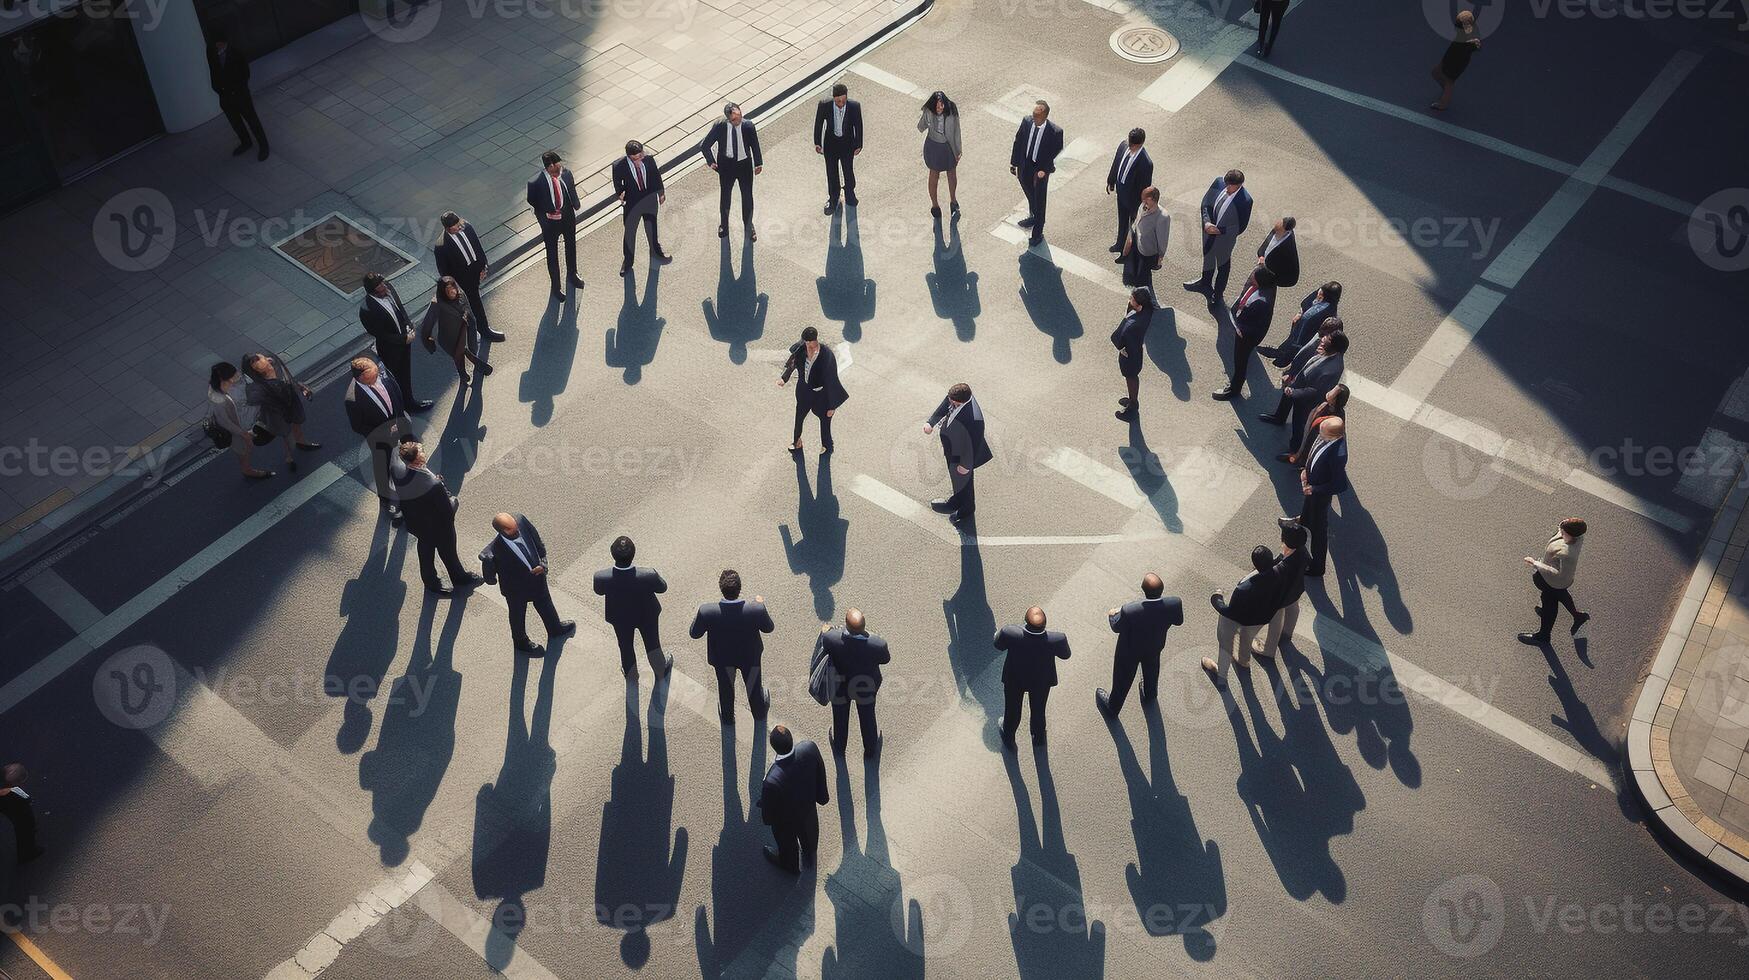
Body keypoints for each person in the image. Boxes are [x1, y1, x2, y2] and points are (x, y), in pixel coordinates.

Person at [480, 512, 576, 654]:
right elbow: (489, 578)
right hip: (515, 589)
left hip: (537, 579)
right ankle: (520, 641)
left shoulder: (521, 521)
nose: (518, 530)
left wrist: (543, 565)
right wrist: (494, 579)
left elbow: (538, 543)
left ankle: (555, 629)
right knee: (517, 614)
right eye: (514, 530)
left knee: (545, 603)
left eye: (516, 526)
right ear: (504, 532)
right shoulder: (492, 552)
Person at [394, 442, 482, 596]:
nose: (424, 453)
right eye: (421, 451)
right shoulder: (433, 485)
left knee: (425, 551)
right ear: (417, 459)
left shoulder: (399, 473)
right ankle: (459, 578)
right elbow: (448, 510)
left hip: (418, 524)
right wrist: (452, 497)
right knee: (448, 553)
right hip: (439, 526)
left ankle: (430, 582)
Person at [689, 570, 774, 723]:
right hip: (750, 656)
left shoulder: (707, 611)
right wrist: (761, 604)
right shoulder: (756, 609)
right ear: (740, 588)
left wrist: (700, 614)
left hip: (722, 658)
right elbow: (769, 628)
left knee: (725, 686)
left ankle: (727, 717)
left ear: (721, 588)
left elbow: (694, 633)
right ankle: (759, 712)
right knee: (754, 685)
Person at [1096, 573, 1183, 717]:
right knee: (1152, 669)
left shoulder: (1129, 610)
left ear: (1143, 589)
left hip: (1129, 651)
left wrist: (1112, 614)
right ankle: (1150, 694)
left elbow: (1116, 627)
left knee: (1122, 679)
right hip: (1154, 646)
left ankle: (1113, 707)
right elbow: (1179, 621)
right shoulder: (1174, 603)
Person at [345, 357, 417, 523]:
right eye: (373, 377)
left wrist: (400, 417)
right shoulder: (352, 399)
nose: (378, 377)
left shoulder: (381, 372)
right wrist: (385, 432)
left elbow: (396, 391)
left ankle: (416, 478)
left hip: (400, 422)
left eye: (377, 374)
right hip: (379, 438)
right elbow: (359, 426)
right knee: (382, 468)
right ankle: (386, 500)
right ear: (360, 378)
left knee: (413, 449)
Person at [593, 535, 674, 678]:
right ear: (633, 553)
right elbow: (663, 588)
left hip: (619, 617)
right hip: (647, 615)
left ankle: (631, 673)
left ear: (612, 553)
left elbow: (598, 591)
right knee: (652, 644)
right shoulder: (649, 574)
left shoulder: (600, 577)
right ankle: (660, 669)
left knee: (625, 645)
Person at [994, 606, 1071, 749]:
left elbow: (997, 644)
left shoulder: (1010, 633)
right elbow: (1066, 655)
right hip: (1041, 682)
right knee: (1039, 709)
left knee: (1012, 709)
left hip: (1015, 679)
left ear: (1025, 622)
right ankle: (1038, 737)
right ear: (1045, 624)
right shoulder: (1057, 639)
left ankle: (1009, 737)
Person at [1280, 417, 1349, 576]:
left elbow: (1340, 485)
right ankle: (1303, 522)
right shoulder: (1326, 437)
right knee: (1308, 508)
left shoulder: (1339, 455)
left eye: (1323, 433)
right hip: (1312, 485)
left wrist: (1315, 489)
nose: (1319, 434)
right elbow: (1315, 453)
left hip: (1319, 493)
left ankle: (1318, 567)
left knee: (1319, 531)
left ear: (1335, 436)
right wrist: (1306, 469)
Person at [1202, 546, 1278, 685]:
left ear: (1254, 564)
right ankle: (1244, 661)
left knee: (1226, 644)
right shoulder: (1280, 573)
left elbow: (1230, 612)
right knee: (1247, 637)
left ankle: (1221, 673)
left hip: (1242, 619)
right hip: (1262, 618)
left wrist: (1217, 599)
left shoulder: (1243, 589)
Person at [358, 272, 434, 410]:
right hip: (390, 349)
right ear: (373, 290)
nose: (384, 285)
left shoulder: (389, 289)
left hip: (405, 341)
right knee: (394, 379)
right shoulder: (367, 309)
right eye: (379, 285)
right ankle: (398, 408)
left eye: (383, 281)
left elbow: (400, 308)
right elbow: (380, 334)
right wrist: (403, 339)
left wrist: (409, 325)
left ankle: (410, 403)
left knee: (405, 374)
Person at [758, 725, 828, 873]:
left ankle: (791, 865)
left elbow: (768, 817)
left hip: (786, 820)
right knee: (809, 833)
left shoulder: (771, 780)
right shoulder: (809, 748)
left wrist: (768, 818)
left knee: (787, 843)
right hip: (808, 807)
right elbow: (820, 771)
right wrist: (822, 797)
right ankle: (810, 853)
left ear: (773, 747)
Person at [1261, 331, 1347, 451]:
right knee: (1286, 403)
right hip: (1298, 384)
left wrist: (1294, 392)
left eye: (1327, 338)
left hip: (1305, 400)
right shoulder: (1328, 352)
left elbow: (1315, 392)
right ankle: (1279, 418)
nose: (1323, 338)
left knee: (1299, 424)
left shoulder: (1332, 369)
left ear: (1334, 345)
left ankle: (1294, 451)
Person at [822, 608, 889, 757]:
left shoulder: (830, 638)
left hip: (840, 686)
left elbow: (825, 648)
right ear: (864, 626)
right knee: (867, 716)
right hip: (866, 686)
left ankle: (839, 747)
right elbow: (885, 659)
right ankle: (870, 749)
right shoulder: (878, 644)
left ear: (846, 624)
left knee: (840, 716)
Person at [924, 382, 993, 525]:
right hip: (953, 449)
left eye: (953, 402)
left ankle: (967, 509)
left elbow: (974, 443)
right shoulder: (955, 396)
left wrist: (965, 465)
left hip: (963, 456)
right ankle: (956, 501)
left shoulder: (975, 418)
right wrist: (931, 422)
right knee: (956, 479)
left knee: (965, 482)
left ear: (962, 401)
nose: (950, 402)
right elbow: (945, 404)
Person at [1183, 169, 1253, 302]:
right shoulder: (1218, 182)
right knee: (1208, 257)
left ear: (1240, 185)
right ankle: (1205, 282)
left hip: (1224, 240)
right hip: (1208, 232)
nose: (1226, 188)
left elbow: (1241, 226)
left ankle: (1218, 294)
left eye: (1230, 186)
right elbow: (1206, 203)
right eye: (1226, 184)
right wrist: (1207, 222)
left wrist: (1220, 230)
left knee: (1223, 266)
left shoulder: (1246, 201)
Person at [526, 150, 586, 302]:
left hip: (567, 217)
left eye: (560, 166)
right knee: (552, 254)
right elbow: (532, 201)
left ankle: (573, 274)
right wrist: (545, 214)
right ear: (548, 167)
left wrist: (575, 204)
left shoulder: (566, 174)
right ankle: (556, 287)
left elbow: (571, 189)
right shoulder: (535, 183)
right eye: (555, 168)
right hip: (550, 223)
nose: (559, 170)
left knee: (571, 246)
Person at [242, 352, 318, 471]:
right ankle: (290, 457)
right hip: (278, 413)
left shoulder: (276, 368)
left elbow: (289, 381)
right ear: (257, 368)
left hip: (290, 404)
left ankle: (301, 442)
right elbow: (254, 402)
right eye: (263, 359)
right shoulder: (258, 387)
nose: (268, 359)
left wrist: (301, 387)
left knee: (296, 424)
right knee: (287, 434)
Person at [434, 212, 504, 342]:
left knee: (475, 301)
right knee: (475, 302)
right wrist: (455, 288)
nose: (459, 228)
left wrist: (484, 266)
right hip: (464, 278)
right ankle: (484, 330)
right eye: (455, 228)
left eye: (458, 225)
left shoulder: (467, 227)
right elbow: (444, 272)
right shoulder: (441, 246)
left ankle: (477, 329)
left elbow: (478, 247)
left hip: (477, 269)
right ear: (447, 229)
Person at [1519, 518, 1590, 644]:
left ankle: (1543, 636)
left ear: (1569, 534)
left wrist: (1535, 563)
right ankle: (1578, 616)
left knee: (1550, 604)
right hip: (1558, 583)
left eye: (1562, 531)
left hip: (1553, 582)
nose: (1559, 531)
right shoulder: (1576, 536)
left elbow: (1559, 574)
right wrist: (1563, 526)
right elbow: (1562, 529)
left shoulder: (1568, 554)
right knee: (1561, 594)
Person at [778, 326, 848, 454]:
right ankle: (797, 442)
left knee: (825, 419)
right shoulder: (802, 349)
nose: (805, 344)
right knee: (799, 417)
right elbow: (793, 362)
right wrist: (784, 378)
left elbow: (832, 379)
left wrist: (832, 406)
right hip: (803, 391)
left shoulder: (826, 355)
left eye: (807, 341)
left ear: (813, 341)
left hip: (820, 394)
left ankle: (827, 445)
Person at [701, 103, 762, 241]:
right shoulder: (720, 126)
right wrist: (711, 162)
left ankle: (748, 225)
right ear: (728, 118)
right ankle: (724, 225)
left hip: (744, 166)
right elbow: (704, 146)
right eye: (734, 119)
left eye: (739, 116)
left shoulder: (748, 126)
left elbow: (755, 145)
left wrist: (758, 163)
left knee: (747, 196)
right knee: (725, 196)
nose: (738, 120)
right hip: (726, 167)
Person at [1213, 265, 1276, 400]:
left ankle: (1234, 389)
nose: (1251, 276)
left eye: (1254, 275)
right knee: (1241, 359)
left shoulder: (1261, 302)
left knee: (1240, 362)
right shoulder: (1266, 288)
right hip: (1248, 330)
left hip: (1246, 336)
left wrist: (1241, 330)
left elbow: (1254, 323)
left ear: (1260, 280)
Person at [611, 141, 671, 277]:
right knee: (630, 233)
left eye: (640, 155)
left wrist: (661, 193)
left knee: (652, 228)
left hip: (649, 200)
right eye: (636, 158)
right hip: (632, 203)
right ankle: (628, 261)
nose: (639, 159)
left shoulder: (648, 158)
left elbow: (656, 175)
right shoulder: (619, 166)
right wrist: (620, 194)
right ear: (629, 157)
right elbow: (617, 183)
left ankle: (656, 253)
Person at [205, 29, 268, 160]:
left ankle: (264, 146)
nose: (218, 47)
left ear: (224, 42)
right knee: (236, 123)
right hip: (225, 95)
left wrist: (238, 90)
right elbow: (212, 70)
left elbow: (245, 73)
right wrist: (217, 89)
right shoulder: (211, 51)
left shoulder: (236, 53)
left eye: (220, 44)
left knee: (252, 120)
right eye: (216, 44)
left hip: (240, 95)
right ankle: (246, 142)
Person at [1009, 101, 1063, 247]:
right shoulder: (1026, 122)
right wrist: (1014, 162)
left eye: (1037, 116)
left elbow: (1055, 150)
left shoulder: (1055, 132)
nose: (1033, 117)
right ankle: (1034, 216)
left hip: (1039, 170)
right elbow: (1018, 141)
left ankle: (1038, 232)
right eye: (1033, 114)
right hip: (1024, 165)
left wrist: (1044, 170)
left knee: (1040, 199)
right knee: (1029, 192)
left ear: (1044, 117)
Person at [421, 276, 493, 386]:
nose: (452, 292)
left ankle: (471, 363)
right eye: (447, 290)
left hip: (463, 331)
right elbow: (426, 326)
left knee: (467, 350)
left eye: (452, 287)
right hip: (448, 338)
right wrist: (429, 344)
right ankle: (463, 373)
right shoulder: (437, 304)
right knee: (458, 357)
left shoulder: (461, 295)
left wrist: (472, 335)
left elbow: (470, 315)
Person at [208, 362, 272, 480]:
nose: (237, 374)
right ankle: (247, 470)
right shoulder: (219, 399)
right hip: (236, 429)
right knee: (244, 449)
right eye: (233, 375)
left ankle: (246, 466)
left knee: (246, 446)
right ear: (224, 379)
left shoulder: (221, 386)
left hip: (242, 420)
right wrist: (244, 434)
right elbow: (225, 422)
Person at [1255, 523, 1308, 660]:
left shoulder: (1282, 567)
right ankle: (1287, 634)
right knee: (1293, 609)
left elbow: (1274, 576)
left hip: (1281, 597)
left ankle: (1269, 649)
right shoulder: (1303, 552)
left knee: (1275, 621)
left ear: (1285, 542)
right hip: (1296, 591)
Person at [814, 83, 862, 214]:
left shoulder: (854, 106)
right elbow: (818, 123)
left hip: (847, 144)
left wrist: (858, 144)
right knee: (831, 172)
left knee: (848, 170)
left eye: (843, 100)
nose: (840, 103)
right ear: (834, 98)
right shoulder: (824, 105)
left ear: (846, 97)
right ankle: (833, 198)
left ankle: (850, 193)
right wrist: (817, 142)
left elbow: (858, 126)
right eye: (838, 100)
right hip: (831, 144)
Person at [1105, 128, 1154, 255]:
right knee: (1122, 220)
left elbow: (1145, 187)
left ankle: (1130, 251)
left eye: (1133, 146)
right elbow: (1116, 163)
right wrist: (1111, 180)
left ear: (1141, 144)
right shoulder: (1123, 145)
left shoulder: (1146, 163)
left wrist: (1142, 205)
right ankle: (1119, 244)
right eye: (1130, 144)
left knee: (1133, 227)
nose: (1130, 147)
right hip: (1121, 193)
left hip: (1134, 200)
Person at [1270, 280, 1341, 367]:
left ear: (1325, 295)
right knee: (1290, 342)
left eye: (1321, 292)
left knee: (1294, 348)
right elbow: (1306, 302)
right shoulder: (1324, 295)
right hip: (1300, 328)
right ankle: (1282, 352)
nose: (1319, 292)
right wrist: (1300, 312)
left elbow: (1314, 333)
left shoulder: (1325, 313)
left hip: (1305, 335)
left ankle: (1283, 361)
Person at [917, 90, 963, 218]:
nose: (940, 108)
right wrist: (927, 114)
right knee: (933, 175)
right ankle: (935, 205)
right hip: (933, 147)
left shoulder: (952, 109)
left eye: (942, 105)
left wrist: (958, 149)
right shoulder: (929, 111)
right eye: (937, 106)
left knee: (952, 173)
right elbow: (921, 127)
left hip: (948, 147)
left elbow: (957, 130)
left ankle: (953, 201)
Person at [1112, 287, 1155, 421]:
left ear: (1138, 304)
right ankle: (1132, 400)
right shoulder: (1148, 311)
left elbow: (1116, 337)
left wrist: (1121, 348)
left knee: (1130, 376)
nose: (1129, 300)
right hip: (1137, 350)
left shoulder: (1132, 324)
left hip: (1129, 355)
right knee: (1132, 376)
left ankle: (1133, 405)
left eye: (1132, 299)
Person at [1282, 382, 1348, 466]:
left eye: (1333, 393)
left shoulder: (1336, 416)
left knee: (1308, 450)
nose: (1330, 392)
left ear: (1336, 400)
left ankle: (1301, 463)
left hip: (1317, 438)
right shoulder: (1326, 405)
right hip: (1310, 431)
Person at [1430, 10, 1481, 112]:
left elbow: (1473, 46)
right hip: (1451, 56)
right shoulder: (1467, 32)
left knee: (1449, 81)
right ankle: (1446, 91)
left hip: (1457, 61)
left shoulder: (1468, 38)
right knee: (1436, 72)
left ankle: (1443, 104)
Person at [1121, 186, 1170, 292]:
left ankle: (1144, 298)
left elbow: (1163, 240)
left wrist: (1160, 257)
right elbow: (1136, 222)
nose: (1142, 201)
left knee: (1143, 278)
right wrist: (1129, 239)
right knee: (1135, 271)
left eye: (1144, 199)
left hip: (1148, 252)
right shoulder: (1143, 206)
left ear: (1151, 199)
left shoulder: (1162, 217)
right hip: (1137, 245)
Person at [0, 763, 43, 865]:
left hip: (6, 801)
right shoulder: (13, 792)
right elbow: (25, 798)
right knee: (25, 826)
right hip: (17, 809)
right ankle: (28, 853)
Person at [1255, 216, 1299, 288]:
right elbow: (1265, 244)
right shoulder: (1277, 229)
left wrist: (1272, 281)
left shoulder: (1288, 249)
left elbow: (1292, 278)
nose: (1274, 231)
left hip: (1268, 278)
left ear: (1285, 232)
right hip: (1261, 268)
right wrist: (1261, 256)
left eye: (1277, 230)